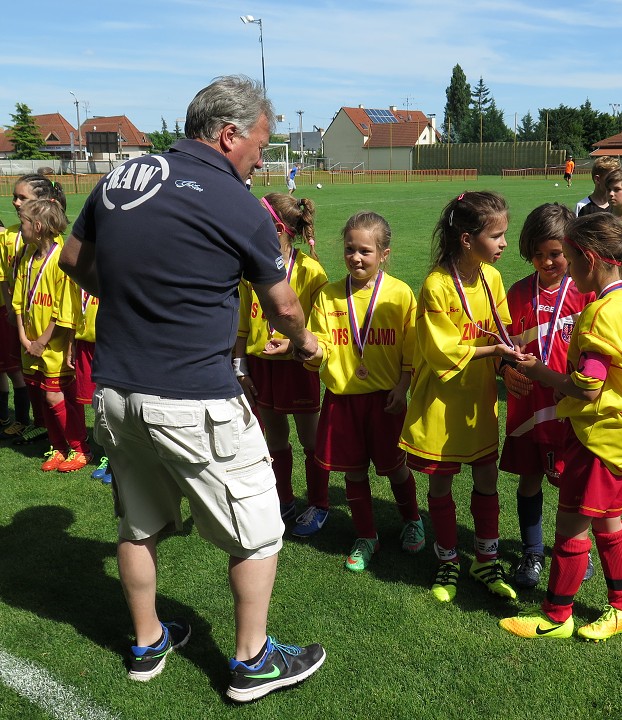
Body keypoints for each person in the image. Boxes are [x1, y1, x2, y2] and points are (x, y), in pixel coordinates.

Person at [58, 75, 326, 703]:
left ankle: (148, 643)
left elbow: (73, 259)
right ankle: (253, 660)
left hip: (118, 389)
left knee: (138, 523)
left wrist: (129, 299)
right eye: (260, 143)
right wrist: (308, 342)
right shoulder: (236, 202)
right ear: (229, 134)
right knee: (259, 529)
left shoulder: (123, 176)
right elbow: (283, 303)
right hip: (193, 395)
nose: (262, 158)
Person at [498, 212, 622, 641]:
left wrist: (539, 371)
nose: (564, 264)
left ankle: (555, 617)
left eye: (568, 256)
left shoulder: (602, 314)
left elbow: (588, 388)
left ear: (589, 259)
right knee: (610, 523)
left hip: (598, 437)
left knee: (571, 525)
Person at [399, 190, 526, 604]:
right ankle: (448, 558)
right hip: (443, 399)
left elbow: (502, 328)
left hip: (479, 398)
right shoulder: (436, 285)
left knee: (487, 477)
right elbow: (439, 351)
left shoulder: (491, 276)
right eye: (497, 235)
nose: (505, 243)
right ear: (468, 240)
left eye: (505, 234)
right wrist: (495, 352)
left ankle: (485, 559)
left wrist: (512, 361)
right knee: (441, 481)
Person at [294, 211, 423, 572]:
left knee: (395, 468)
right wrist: (306, 347)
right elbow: (321, 344)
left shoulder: (399, 294)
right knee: (353, 472)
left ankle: (412, 519)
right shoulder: (329, 296)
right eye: (350, 249)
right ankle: (367, 535)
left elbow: (410, 348)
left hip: (386, 399)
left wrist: (403, 385)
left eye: (365, 251)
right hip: (342, 400)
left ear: (384, 254)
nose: (356, 257)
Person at [499, 203, 596, 589]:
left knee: (575, 486)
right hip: (527, 409)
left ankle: (574, 550)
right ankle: (532, 552)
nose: (546, 262)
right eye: (537, 254)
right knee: (529, 481)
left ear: (571, 249)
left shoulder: (586, 294)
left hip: (572, 409)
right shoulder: (518, 292)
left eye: (555, 254)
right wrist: (505, 370)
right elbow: (503, 347)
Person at [234, 193, 330, 535]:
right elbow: (243, 323)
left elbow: (321, 329)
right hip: (262, 367)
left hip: (298, 366)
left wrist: (294, 344)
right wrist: (240, 366)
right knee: (274, 438)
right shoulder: (251, 268)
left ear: (277, 228)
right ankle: (284, 499)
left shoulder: (311, 272)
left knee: (311, 439)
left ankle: (319, 503)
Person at [13, 197, 90, 472]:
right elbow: (20, 301)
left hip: (52, 345)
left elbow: (64, 308)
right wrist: (23, 337)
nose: (19, 228)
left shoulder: (61, 259)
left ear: (37, 225)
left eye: (22, 223)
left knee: (55, 396)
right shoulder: (27, 257)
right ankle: (58, 448)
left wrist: (43, 340)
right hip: (30, 343)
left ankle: (80, 448)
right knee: (42, 393)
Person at [0, 175, 63, 445]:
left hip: (46, 319)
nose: (15, 202)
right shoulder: (10, 235)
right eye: (15, 196)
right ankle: (33, 421)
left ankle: (58, 431)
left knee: (51, 377)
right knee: (26, 371)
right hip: (19, 317)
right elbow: (4, 276)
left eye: (22, 198)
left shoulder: (55, 242)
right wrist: (11, 313)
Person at [73, 282, 112, 483]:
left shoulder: (114, 264)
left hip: (110, 342)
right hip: (85, 342)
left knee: (113, 402)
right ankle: (109, 456)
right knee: (97, 405)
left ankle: (118, 462)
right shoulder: (81, 269)